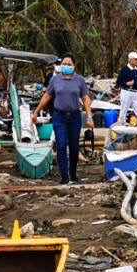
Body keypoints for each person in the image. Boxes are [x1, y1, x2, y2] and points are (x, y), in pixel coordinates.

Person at [35, 54, 93, 184]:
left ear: (74, 65)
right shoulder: (55, 80)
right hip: (59, 116)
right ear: (61, 65)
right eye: (64, 64)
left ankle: (73, 173)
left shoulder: (79, 80)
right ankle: (64, 176)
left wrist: (89, 116)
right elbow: (47, 96)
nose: (66, 66)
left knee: (74, 147)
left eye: (69, 64)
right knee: (61, 145)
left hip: (74, 117)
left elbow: (85, 98)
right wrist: (37, 111)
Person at [114, 51, 137, 125]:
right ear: (130, 60)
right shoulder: (125, 69)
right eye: (135, 59)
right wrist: (126, 83)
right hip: (127, 92)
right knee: (123, 110)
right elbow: (118, 82)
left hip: (136, 93)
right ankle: (121, 124)